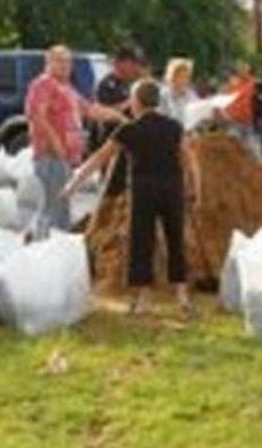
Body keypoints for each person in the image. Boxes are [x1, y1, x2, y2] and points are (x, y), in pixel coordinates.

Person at [63, 78, 199, 318]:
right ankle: (182, 296)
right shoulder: (174, 126)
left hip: (143, 190)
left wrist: (74, 183)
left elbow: (100, 158)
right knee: (174, 239)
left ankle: (144, 299)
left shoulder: (129, 129)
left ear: (137, 102)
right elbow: (189, 158)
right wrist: (196, 187)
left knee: (142, 242)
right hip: (172, 188)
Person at [25, 45, 125, 238]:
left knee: (57, 203)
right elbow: (37, 116)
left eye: (68, 61)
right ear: (48, 63)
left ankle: (41, 238)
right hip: (51, 155)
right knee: (57, 204)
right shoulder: (43, 84)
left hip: (66, 156)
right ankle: (50, 246)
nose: (66, 66)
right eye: (60, 61)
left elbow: (90, 110)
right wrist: (56, 144)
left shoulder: (67, 88)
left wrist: (120, 117)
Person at [91, 45, 146, 196]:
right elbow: (103, 111)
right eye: (133, 63)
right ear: (122, 63)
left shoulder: (132, 84)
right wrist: (129, 103)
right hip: (111, 142)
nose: (136, 68)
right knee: (111, 189)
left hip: (130, 145)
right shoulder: (107, 84)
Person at [222, 60, 258, 151]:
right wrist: (226, 113)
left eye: (244, 68)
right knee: (232, 146)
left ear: (248, 69)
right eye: (240, 69)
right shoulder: (233, 84)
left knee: (251, 148)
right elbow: (225, 100)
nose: (242, 71)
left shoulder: (253, 84)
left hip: (248, 121)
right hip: (235, 121)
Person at [160, 57, 198, 125]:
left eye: (187, 77)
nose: (185, 80)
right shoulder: (163, 95)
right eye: (181, 76)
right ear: (172, 76)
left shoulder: (191, 94)